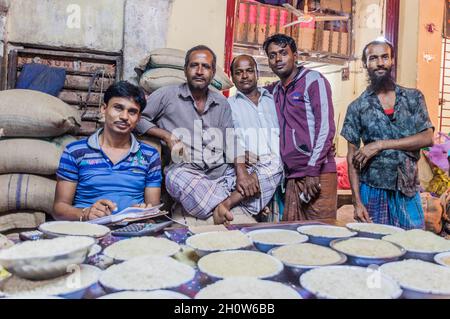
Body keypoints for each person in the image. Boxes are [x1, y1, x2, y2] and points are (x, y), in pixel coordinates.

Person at [136, 45, 270, 225]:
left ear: (213, 72)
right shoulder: (167, 95)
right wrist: (165, 135)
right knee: (174, 177)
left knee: (271, 164)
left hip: (221, 175)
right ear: (185, 69)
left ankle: (220, 204)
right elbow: (138, 118)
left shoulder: (221, 102)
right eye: (194, 65)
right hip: (187, 173)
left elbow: (231, 139)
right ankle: (234, 204)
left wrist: (242, 173)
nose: (199, 71)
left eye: (205, 67)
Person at [341, 39, 434, 229]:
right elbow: (352, 157)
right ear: (365, 64)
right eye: (373, 58)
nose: (380, 62)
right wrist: (357, 202)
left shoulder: (413, 98)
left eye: (385, 57)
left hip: (407, 188)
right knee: (376, 247)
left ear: (392, 61)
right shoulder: (357, 107)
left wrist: (379, 144)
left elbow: (427, 138)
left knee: (412, 243)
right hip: (372, 190)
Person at [53, 81, 162, 221]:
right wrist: (86, 214)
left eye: (132, 112)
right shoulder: (75, 151)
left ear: (139, 118)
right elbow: (59, 208)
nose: (124, 116)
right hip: (88, 229)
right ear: (104, 109)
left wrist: (146, 214)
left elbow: (153, 208)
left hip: (132, 230)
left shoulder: (150, 155)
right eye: (118, 108)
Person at [263, 34, 337, 221]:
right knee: (291, 238)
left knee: (321, 236)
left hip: (317, 174)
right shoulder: (275, 91)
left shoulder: (313, 80)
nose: (278, 59)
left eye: (283, 53)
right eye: (272, 55)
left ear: (295, 55)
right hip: (291, 178)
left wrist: (313, 169)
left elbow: (326, 128)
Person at [228, 54, 284, 220]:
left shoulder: (275, 100)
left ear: (257, 74)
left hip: (278, 177)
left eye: (249, 71)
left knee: (274, 232)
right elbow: (225, 139)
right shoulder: (228, 106)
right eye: (239, 72)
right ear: (232, 77)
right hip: (249, 175)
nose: (245, 76)